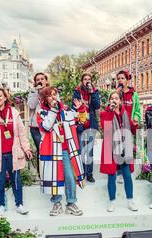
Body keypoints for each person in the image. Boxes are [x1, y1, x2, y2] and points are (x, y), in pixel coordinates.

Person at [0, 88, 33, 215]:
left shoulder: (13, 112)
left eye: (0, 95)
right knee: (0, 181)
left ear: (5, 98)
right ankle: (1, 205)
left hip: (13, 152)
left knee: (16, 180)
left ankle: (19, 204)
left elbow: (21, 133)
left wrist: (26, 148)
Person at [37, 86, 85, 217]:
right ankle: (57, 203)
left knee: (69, 176)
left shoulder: (65, 109)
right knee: (54, 176)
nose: (53, 97)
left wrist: (80, 109)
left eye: (55, 94)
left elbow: (80, 120)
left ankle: (71, 203)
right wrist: (53, 109)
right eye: (50, 95)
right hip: (51, 150)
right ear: (45, 99)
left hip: (65, 149)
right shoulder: (41, 112)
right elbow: (46, 126)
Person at [100, 92, 139, 212]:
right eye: (112, 98)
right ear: (109, 101)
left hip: (124, 147)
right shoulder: (105, 113)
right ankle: (112, 202)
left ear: (120, 101)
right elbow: (105, 127)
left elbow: (131, 128)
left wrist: (135, 125)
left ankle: (130, 201)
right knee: (111, 176)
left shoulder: (125, 113)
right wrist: (111, 112)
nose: (114, 100)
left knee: (127, 175)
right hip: (111, 147)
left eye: (116, 98)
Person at [72, 73, 101, 183]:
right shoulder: (77, 91)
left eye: (89, 79)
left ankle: (89, 174)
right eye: (85, 79)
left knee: (89, 151)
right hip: (80, 125)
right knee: (81, 150)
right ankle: (81, 173)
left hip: (91, 125)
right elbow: (73, 107)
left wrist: (92, 93)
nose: (87, 81)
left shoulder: (94, 91)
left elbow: (97, 105)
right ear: (81, 80)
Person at [115, 70, 142, 184]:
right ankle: (119, 173)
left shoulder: (134, 94)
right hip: (117, 126)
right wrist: (116, 95)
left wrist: (136, 118)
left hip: (129, 126)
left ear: (127, 80)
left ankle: (127, 173)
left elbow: (137, 110)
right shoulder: (117, 94)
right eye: (119, 78)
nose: (120, 80)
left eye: (122, 78)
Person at [28, 72, 49, 175]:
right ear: (35, 82)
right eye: (38, 79)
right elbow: (31, 105)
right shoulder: (32, 92)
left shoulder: (51, 92)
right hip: (36, 127)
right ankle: (41, 174)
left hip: (48, 126)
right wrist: (37, 92)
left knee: (49, 149)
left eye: (42, 79)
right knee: (41, 149)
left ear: (46, 81)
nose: (40, 81)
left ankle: (49, 172)